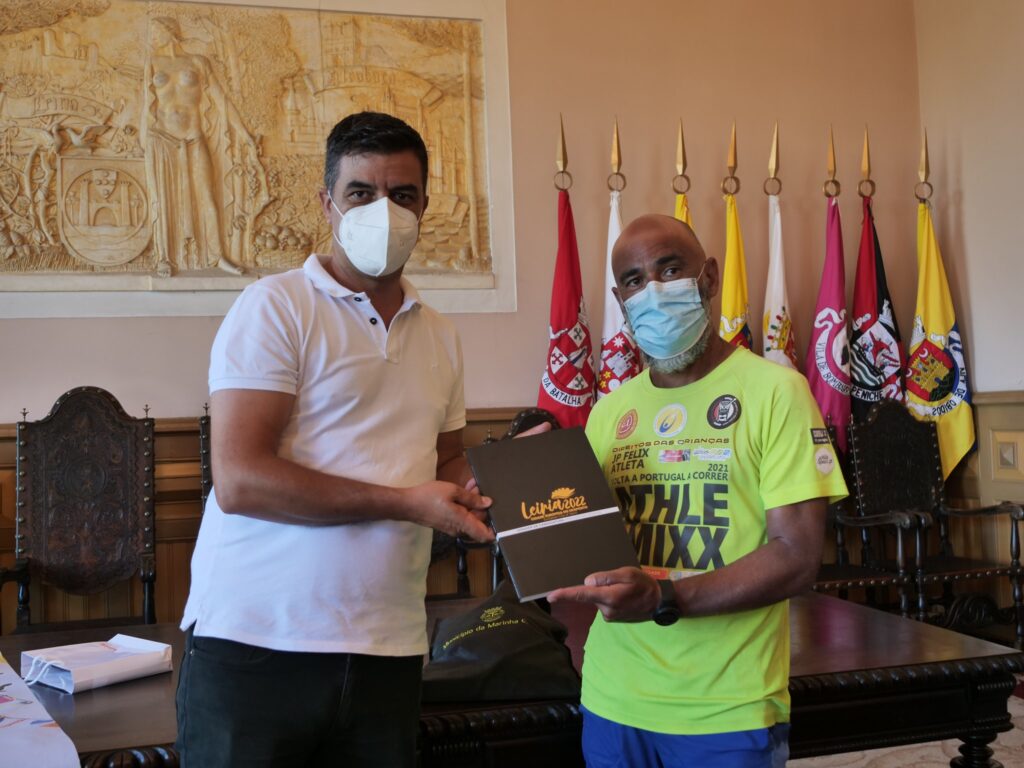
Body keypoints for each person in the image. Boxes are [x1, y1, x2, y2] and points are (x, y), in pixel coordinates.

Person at [175, 111, 494, 768]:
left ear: (424, 206)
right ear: (328, 203)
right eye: (361, 193)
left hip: (388, 647)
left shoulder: (441, 334)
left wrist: (507, 477)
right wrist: (405, 503)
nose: (385, 211)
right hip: (257, 647)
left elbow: (446, 461)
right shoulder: (275, 306)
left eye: (402, 194)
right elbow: (240, 480)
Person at [548, 214, 848, 768]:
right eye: (634, 280)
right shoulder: (610, 411)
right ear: (620, 301)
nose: (653, 291)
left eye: (669, 270)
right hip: (614, 698)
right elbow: (581, 540)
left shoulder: (777, 392)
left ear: (708, 278)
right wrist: (517, 488)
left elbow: (797, 557)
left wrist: (666, 598)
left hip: (727, 709)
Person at [143, 16, 268, 276]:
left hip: (193, 135)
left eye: (157, 31)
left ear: (170, 31)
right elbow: (145, 104)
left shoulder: (198, 62)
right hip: (161, 137)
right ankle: (164, 257)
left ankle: (217, 255)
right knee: (163, 199)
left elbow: (220, 100)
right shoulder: (153, 62)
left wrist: (243, 133)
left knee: (207, 195)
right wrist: (141, 141)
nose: (153, 36)